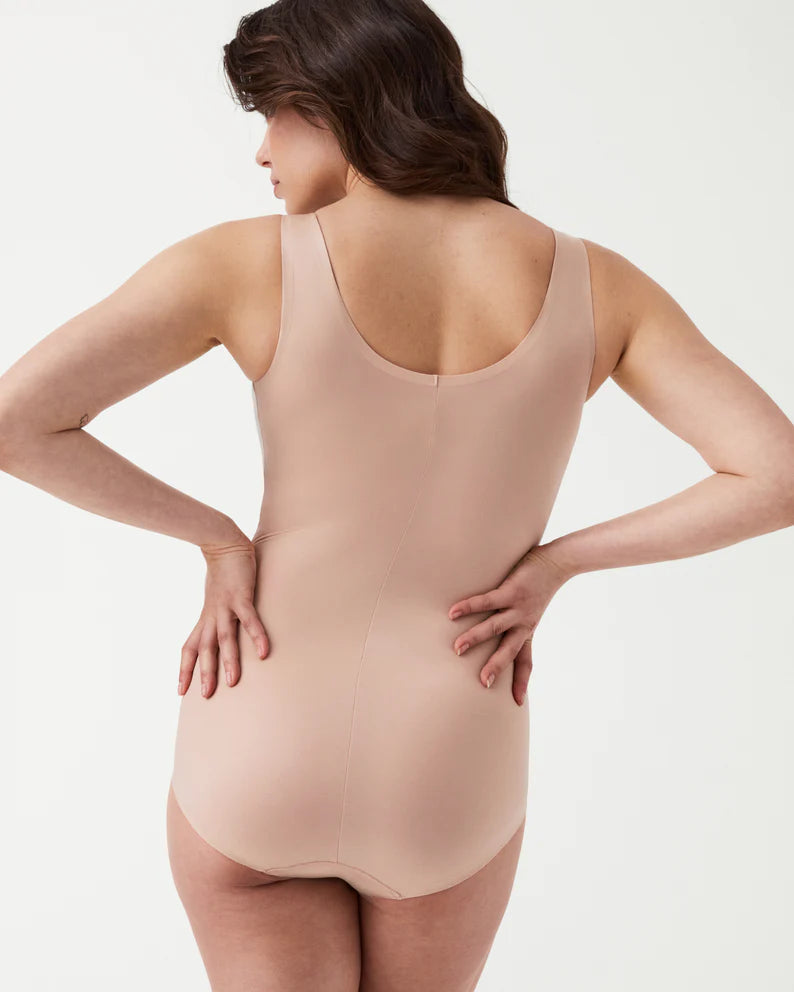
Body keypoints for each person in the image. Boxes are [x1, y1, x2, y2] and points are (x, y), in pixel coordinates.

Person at [2, 1, 793, 990]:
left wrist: (217, 539)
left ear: (331, 103)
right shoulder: (600, 285)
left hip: (260, 722)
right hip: (452, 755)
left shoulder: (245, 260)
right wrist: (556, 563)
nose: (261, 151)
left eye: (272, 114)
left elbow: (16, 421)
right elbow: (775, 474)